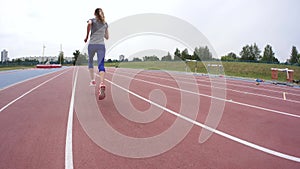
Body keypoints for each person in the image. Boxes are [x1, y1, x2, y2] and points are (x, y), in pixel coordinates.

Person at [84, 8, 109, 100]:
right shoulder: (105, 24)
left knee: (90, 61)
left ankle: (93, 80)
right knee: (101, 65)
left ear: (95, 14)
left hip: (92, 45)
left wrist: (87, 36)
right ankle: (102, 83)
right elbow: (107, 37)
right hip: (101, 46)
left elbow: (89, 24)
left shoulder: (92, 20)